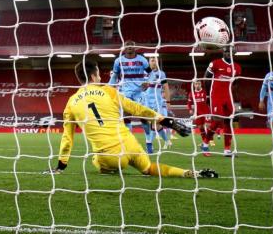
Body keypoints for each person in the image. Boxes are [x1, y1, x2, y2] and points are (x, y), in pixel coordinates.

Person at [45, 57, 217, 179]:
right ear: (92, 76)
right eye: (98, 74)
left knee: (95, 160)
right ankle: (189, 173)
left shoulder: (71, 102)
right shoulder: (108, 91)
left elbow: (67, 139)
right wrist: (165, 120)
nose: (100, 76)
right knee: (149, 168)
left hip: (110, 157)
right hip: (129, 144)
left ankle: (109, 169)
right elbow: (135, 108)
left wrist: (61, 166)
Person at [108, 41, 152, 140]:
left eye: (132, 45)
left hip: (139, 92)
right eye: (127, 45)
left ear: (135, 47)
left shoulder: (142, 60)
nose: (129, 47)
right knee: (126, 117)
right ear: (124, 47)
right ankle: (129, 141)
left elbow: (151, 73)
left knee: (143, 118)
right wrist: (109, 87)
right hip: (125, 92)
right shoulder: (118, 61)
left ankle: (149, 141)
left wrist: (148, 81)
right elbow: (114, 76)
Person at [204, 47, 241, 157]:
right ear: (223, 53)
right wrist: (207, 95)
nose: (228, 53)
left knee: (229, 121)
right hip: (215, 95)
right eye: (226, 51)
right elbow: (207, 78)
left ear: (234, 53)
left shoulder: (237, 68)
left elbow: (235, 83)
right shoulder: (215, 63)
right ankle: (205, 143)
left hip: (228, 96)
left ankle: (227, 150)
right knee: (216, 120)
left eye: (230, 52)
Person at [141, 57, 171, 153]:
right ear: (148, 62)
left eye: (156, 60)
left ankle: (149, 144)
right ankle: (167, 141)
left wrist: (168, 101)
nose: (154, 61)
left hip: (157, 102)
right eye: (152, 60)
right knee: (153, 125)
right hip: (145, 101)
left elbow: (166, 88)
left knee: (156, 123)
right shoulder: (143, 73)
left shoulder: (161, 74)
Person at [188, 80, 213, 155]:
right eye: (196, 84)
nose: (197, 85)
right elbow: (189, 103)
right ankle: (205, 146)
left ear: (201, 85)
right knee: (201, 128)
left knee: (208, 127)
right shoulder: (191, 93)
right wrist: (190, 109)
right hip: (197, 113)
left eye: (199, 84)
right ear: (194, 85)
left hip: (206, 112)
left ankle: (205, 144)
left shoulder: (205, 92)